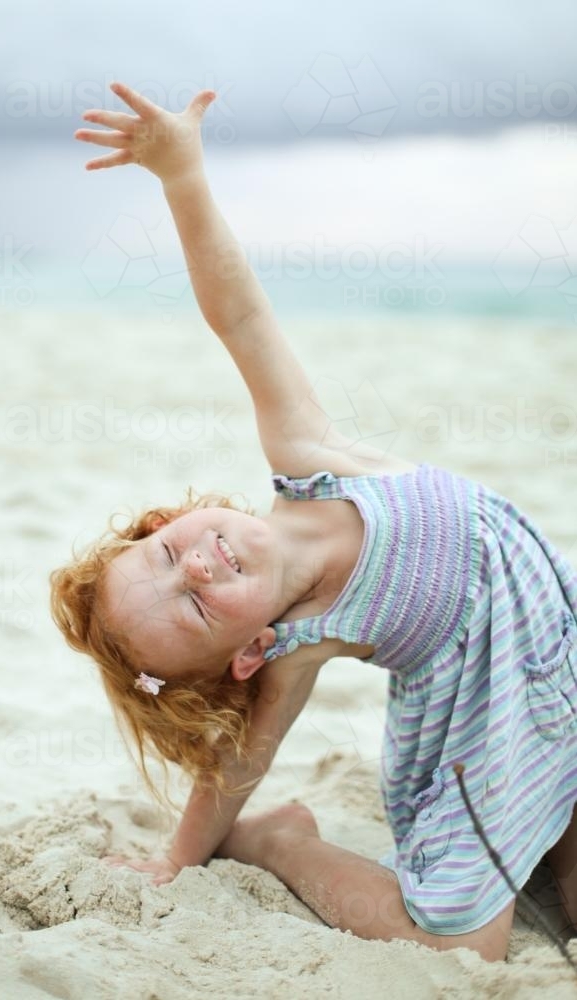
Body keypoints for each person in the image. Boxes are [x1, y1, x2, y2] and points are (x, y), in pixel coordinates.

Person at [50, 81, 577, 963]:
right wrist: (190, 852)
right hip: (491, 714)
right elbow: (238, 767)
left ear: (171, 517)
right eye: (195, 606)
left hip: (557, 627)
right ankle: (284, 844)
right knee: (466, 940)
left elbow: (240, 313)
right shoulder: (295, 642)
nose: (201, 567)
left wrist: (180, 174)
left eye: (171, 550)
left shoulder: (306, 460)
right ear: (247, 652)